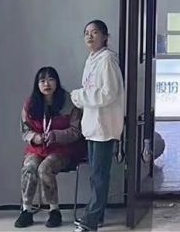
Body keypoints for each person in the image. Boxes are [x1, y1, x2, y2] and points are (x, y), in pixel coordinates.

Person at [16, 67, 86, 229]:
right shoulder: (30, 104)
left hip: (64, 149)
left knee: (44, 168)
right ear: (37, 84)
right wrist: (35, 137)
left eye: (51, 79)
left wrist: (55, 136)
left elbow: (76, 131)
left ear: (57, 82)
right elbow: (24, 130)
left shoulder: (69, 102)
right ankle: (26, 210)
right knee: (29, 167)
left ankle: (54, 210)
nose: (46, 84)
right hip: (37, 148)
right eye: (42, 81)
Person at [71, 20, 124, 232]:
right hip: (92, 126)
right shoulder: (91, 60)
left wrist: (79, 96)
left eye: (94, 32)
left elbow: (108, 93)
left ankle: (90, 220)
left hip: (104, 127)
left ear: (105, 36)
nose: (89, 36)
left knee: (100, 175)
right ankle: (97, 214)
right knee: (95, 175)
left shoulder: (107, 60)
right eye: (86, 33)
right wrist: (80, 98)